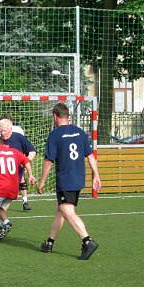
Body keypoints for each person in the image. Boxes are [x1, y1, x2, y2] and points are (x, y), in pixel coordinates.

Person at [37, 103, 101, 260]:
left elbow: (48, 160)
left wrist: (42, 181)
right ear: (68, 116)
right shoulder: (80, 133)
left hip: (65, 179)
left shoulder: (55, 135)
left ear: (55, 116)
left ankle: (87, 241)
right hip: (78, 178)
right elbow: (91, 156)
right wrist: (96, 175)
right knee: (62, 210)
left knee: (67, 211)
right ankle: (50, 243)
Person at [0, 115, 36, 211]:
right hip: (2, 171)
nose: (2, 132)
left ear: (10, 126)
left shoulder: (18, 134)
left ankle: (24, 201)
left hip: (16, 170)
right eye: (1, 130)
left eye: (4, 129)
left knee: (11, 192)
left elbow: (32, 151)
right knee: (1, 196)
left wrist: (25, 162)